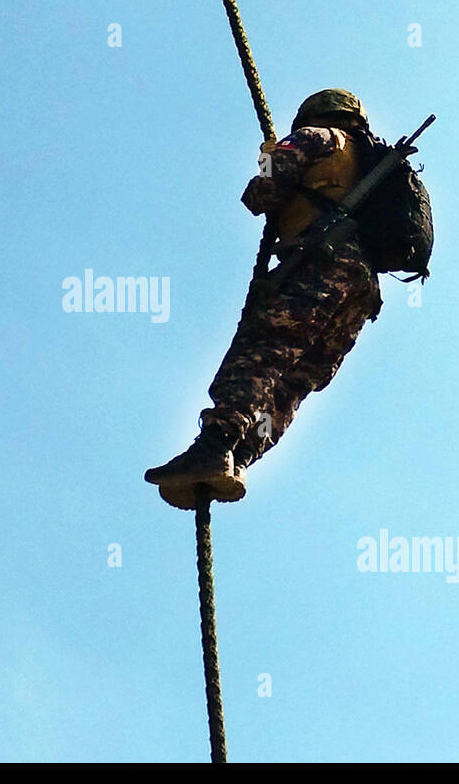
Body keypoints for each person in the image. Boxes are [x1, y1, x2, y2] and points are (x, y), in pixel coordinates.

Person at [144, 89, 389, 509]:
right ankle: (239, 457)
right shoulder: (372, 162)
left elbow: (261, 195)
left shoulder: (318, 136)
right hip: (359, 294)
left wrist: (271, 158)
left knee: (261, 357)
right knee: (292, 384)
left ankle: (215, 447)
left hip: (321, 270)